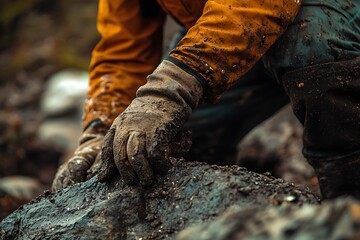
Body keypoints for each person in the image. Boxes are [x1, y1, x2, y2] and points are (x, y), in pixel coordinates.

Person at [52, 0, 360, 199]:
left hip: (330, 16)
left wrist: (169, 88)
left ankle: (349, 204)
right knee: (161, 144)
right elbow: (123, 50)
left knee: (311, 42)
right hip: (230, 33)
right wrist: (99, 131)